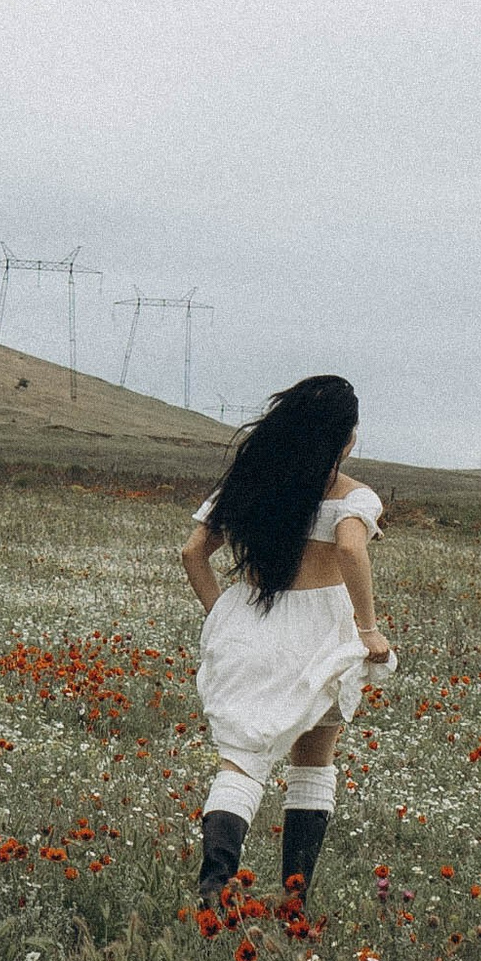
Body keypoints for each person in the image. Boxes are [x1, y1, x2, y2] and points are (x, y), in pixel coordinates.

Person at [180, 373, 393, 906]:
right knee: (314, 758)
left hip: (252, 620)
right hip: (322, 632)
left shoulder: (248, 483)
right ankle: (295, 896)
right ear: (344, 437)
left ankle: (215, 884)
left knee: (243, 759)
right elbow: (349, 549)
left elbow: (192, 553)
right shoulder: (353, 495)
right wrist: (368, 629)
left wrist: (223, 617)